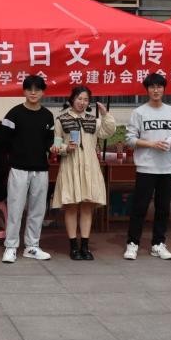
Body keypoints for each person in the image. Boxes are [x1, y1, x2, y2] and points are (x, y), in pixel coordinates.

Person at [124, 73, 171, 261]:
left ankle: (158, 244)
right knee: (140, 207)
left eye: (159, 87)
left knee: (163, 208)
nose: (156, 90)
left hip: (167, 168)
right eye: (152, 87)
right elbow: (129, 139)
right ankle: (132, 243)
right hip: (146, 167)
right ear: (147, 90)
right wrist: (151, 144)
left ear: (164, 89)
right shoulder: (139, 112)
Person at [53, 85, 115, 260]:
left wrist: (105, 115)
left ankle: (85, 246)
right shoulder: (61, 119)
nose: (82, 102)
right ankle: (73, 246)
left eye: (86, 99)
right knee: (71, 206)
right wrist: (65, 148)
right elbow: (56, 145)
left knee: (87, 207)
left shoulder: (93, 120)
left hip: (90, 167)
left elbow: (108, 131)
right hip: (70, 166)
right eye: (79, 98)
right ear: (72, 99)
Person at [0, 75, 56, 263]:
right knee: (15, 208)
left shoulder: (47, 115)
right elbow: (3, 140)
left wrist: (53, 148)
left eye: (37, 89)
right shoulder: (14, 113)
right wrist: (16, 154)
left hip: (41, 169)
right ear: (24, 91)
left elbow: (49, 141)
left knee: (37, 209)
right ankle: (11, 246)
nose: (33, 93)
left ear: (43, 92)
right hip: (19, 168)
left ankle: (32, 246)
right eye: (29, 89)